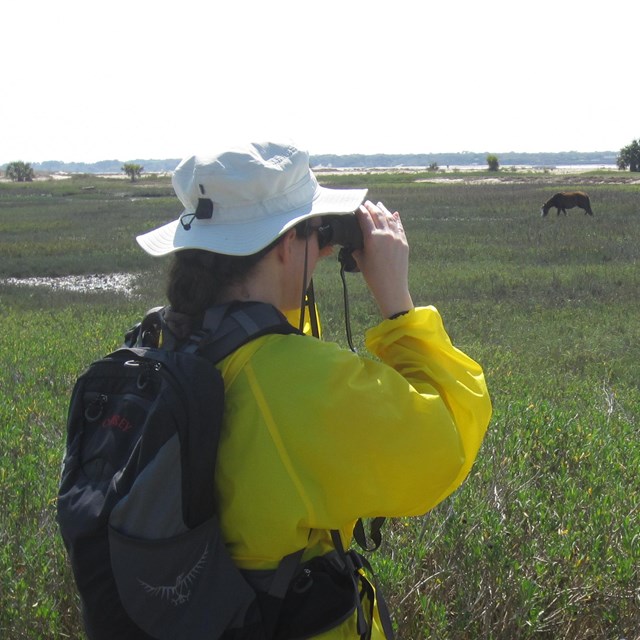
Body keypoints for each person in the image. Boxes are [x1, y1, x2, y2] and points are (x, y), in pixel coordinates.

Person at [136, 141, 492, 639]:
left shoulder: (161, 344)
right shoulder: (297, 383)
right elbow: (449, 439)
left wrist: (298, 260)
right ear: (285, 245)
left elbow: (271, 354)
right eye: (312, 230)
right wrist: (399, 307)